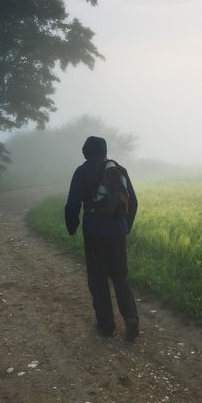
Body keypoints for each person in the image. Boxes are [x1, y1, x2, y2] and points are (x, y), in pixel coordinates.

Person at [65, 135, 139, 340]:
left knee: (98, 280)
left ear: (86, 152)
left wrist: (72, 226)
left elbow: (72, 205)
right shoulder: (119, 170)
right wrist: (125, 227)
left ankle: (106, 327)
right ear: (105, 151)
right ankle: (131, 317)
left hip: (95, 234)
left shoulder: (82, 171)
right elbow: (133, 202)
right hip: (118, 233)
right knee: (120, 276)